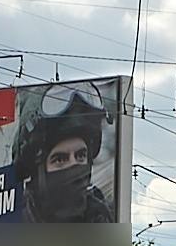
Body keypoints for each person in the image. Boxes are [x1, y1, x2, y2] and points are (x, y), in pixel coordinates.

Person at [14, 83, 117, 224]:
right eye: (60, 160)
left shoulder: (105, 218)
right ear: (37, 170)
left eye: (80, 156)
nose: (74, 167)